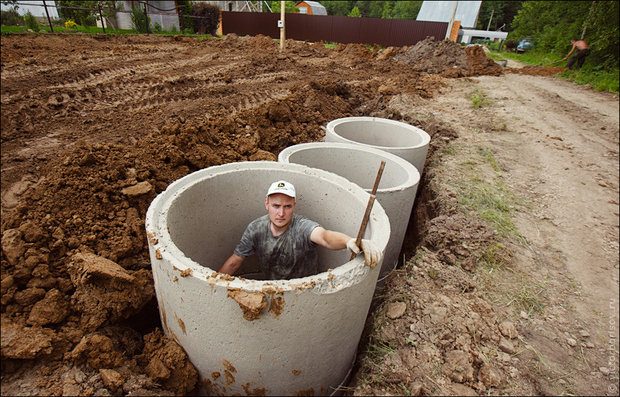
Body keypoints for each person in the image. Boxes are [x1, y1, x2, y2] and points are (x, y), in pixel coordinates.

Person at [218, 180, 381, 280]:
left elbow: (324, 237)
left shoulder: (302, 226)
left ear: (294, 206)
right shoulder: (256, 229)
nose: (281, 213)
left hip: (305, 290)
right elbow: (234, 262)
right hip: (273, 287)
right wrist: (214, 283)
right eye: (276, 206)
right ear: (266, 204)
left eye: (287, 207)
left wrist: (348, 241)